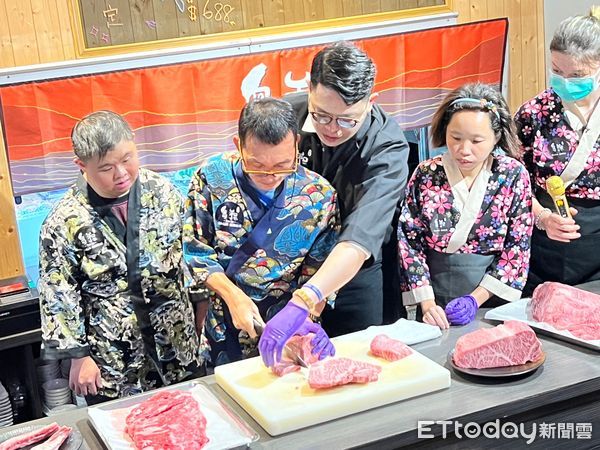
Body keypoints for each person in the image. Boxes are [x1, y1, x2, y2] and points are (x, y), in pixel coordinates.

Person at [257, 42, 410, 364]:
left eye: (346, 120)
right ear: (309, 88)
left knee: (357, 363)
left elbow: (359, 238)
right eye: (322, 115)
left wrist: (308, 298)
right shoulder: (286, 117)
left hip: (355, 274)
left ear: (371, 102)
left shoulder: (387, 146)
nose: (332, 129)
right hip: (290, 266)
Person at [38, 111, 204, 404]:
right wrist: (78, 356)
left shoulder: (164, 193)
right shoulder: (64, 221)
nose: (121, 173)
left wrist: (202, 308)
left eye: (127, 158)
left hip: (177, 343)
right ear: (81, 165)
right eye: (106, 168)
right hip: (113, 359)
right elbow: (58, 294)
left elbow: (193, 252)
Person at [183, 97, 338, 366]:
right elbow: (196, 252)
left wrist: (304, 321)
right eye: (256, 165)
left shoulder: (319, 195)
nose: (270, 176)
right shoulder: (212, 176)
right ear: (238, 146)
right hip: (225, 324)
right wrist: (234, 297)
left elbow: (320, 276)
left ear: (296, 145)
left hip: (290, 329)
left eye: (282, 165)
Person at [397, 83, 533, 329]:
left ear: (497, 137)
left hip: (491, 300)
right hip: (434, 301)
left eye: (477, 141)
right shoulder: (427, 173)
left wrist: (475, 299)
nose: (464, 150)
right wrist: (427, 304)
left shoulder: (512, 175)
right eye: (455, 138)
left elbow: (517, 248)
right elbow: (409, 242)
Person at [515, 7, 600, 294]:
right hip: (544, 243)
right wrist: (542, 218)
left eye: (577, 74)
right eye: (557, 71)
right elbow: (514, 183)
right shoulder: (533, 113)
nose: (566, 81)